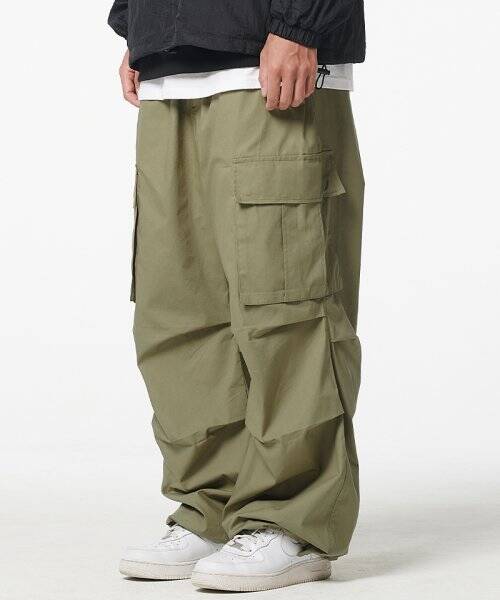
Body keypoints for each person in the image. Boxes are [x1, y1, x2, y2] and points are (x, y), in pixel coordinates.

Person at [108, 0, 365, 592]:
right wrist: (140, 27)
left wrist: (300, 25)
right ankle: (212, 506)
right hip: (172, 64)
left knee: (286, 305)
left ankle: (291, 518)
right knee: (178, 309)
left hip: (267, 55)